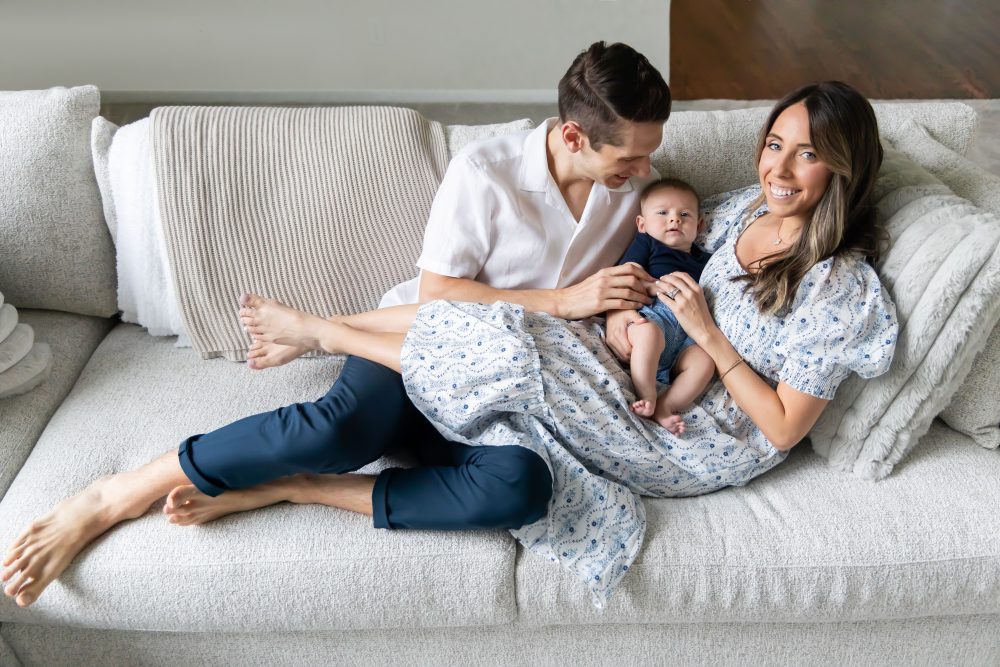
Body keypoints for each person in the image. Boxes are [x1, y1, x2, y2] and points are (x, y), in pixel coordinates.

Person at [1, 41, 672, 608]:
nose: (645, 172)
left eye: (649, 156)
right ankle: (113, 494)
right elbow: (439, 296)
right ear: (574, 136)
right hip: (417, 343)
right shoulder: (487, 172)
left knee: (523, 485)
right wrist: (564, 298)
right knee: (342, 428)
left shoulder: (637, 195)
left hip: (509, 387)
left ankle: (298, 487)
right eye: (629, 160)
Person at [185, 79, 899, 606]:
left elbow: (780, 426)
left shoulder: (839, 284)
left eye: (806, 155)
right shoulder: (748, 207)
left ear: (842, 167)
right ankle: (321, 342)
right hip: (641, 369)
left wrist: (711, 335)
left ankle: (319, 341)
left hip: (684, 436)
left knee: (519, 346)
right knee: (526, 344)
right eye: (774, 143)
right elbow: (667, 236)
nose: (777, 168)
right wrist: (627, 305)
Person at [616, 178, 715, 432]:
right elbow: (628, 275)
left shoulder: (707, 261)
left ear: (699, 224)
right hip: (653, 315)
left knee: (705, 362)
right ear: (642, 223)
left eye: (684, 214)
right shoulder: (647, 243)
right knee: (647, 334)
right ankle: (647, 393)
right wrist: (651, 286)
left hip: (688, 333)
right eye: (663, 213)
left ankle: (667, 405)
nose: (675, 220)